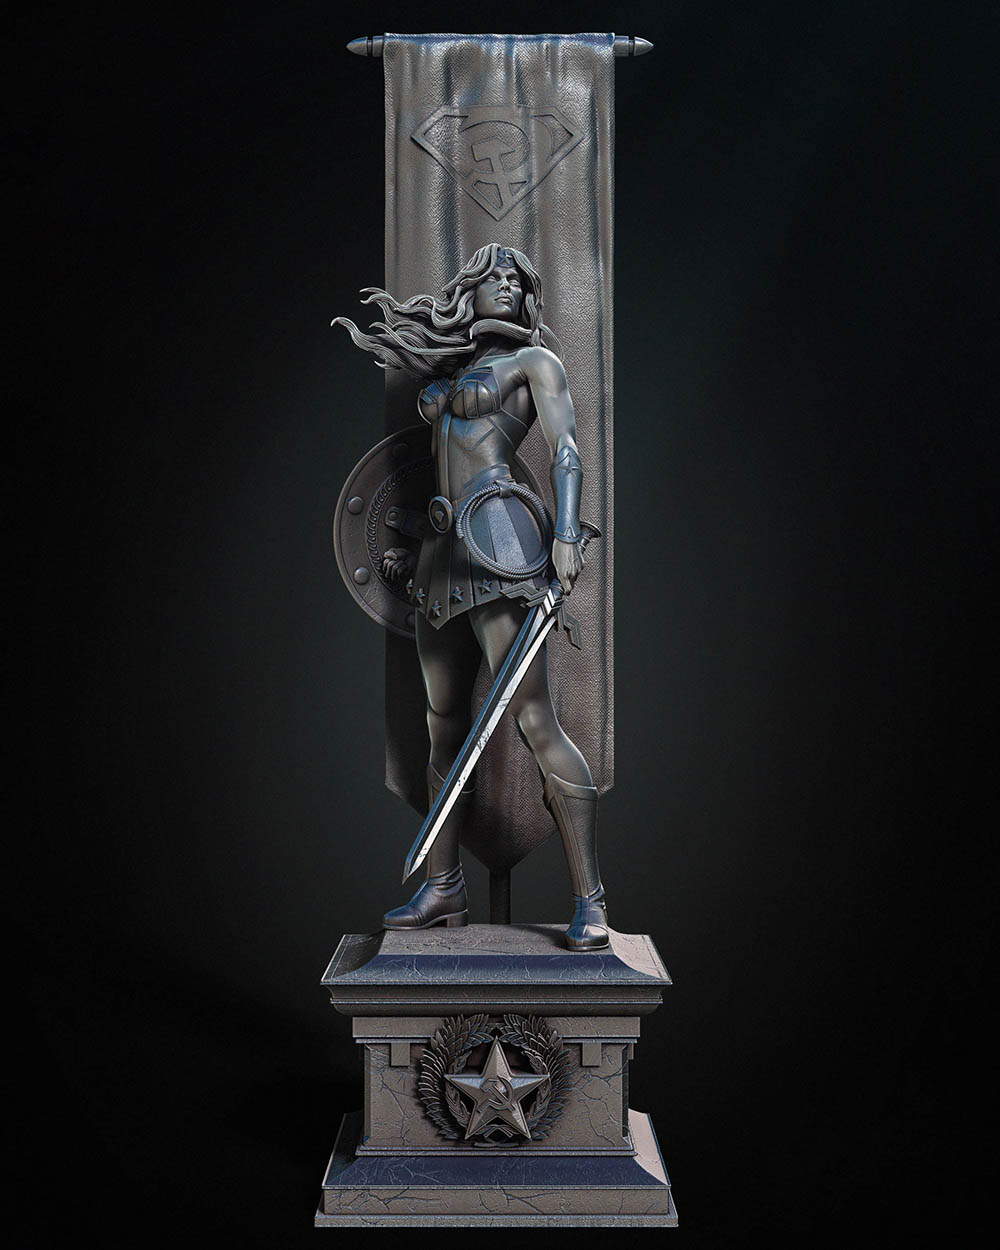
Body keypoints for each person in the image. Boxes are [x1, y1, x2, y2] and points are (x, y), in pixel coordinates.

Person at [334, 244, 607, 951]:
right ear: (470, 292)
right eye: (494, 276)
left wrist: (566, 533)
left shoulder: (536, 363)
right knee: (443, 724)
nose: (508, 286)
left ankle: (590, 900)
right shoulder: (453, 371)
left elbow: (567, 448)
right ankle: (444, 887)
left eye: (518, 279)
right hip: (441, 553)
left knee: (535, 717)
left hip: (502, 543)